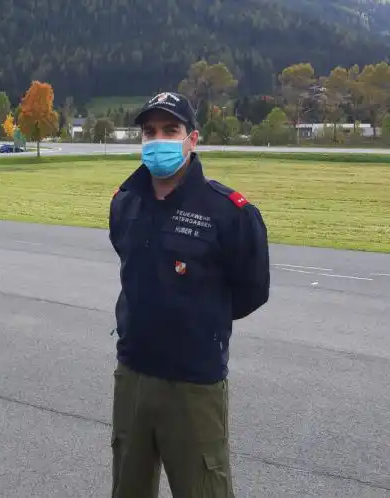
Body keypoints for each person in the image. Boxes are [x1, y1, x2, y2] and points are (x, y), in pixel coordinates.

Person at [107, 92, 271, 498]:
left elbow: (252, 290)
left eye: (170, 130)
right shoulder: (125, 202)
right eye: (150, 132)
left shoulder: (229, 212)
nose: (158, 139)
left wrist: (199, 321)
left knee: (205, 489)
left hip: (194, 382)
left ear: (192, 139)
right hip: (133, 373)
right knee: (127, 487)